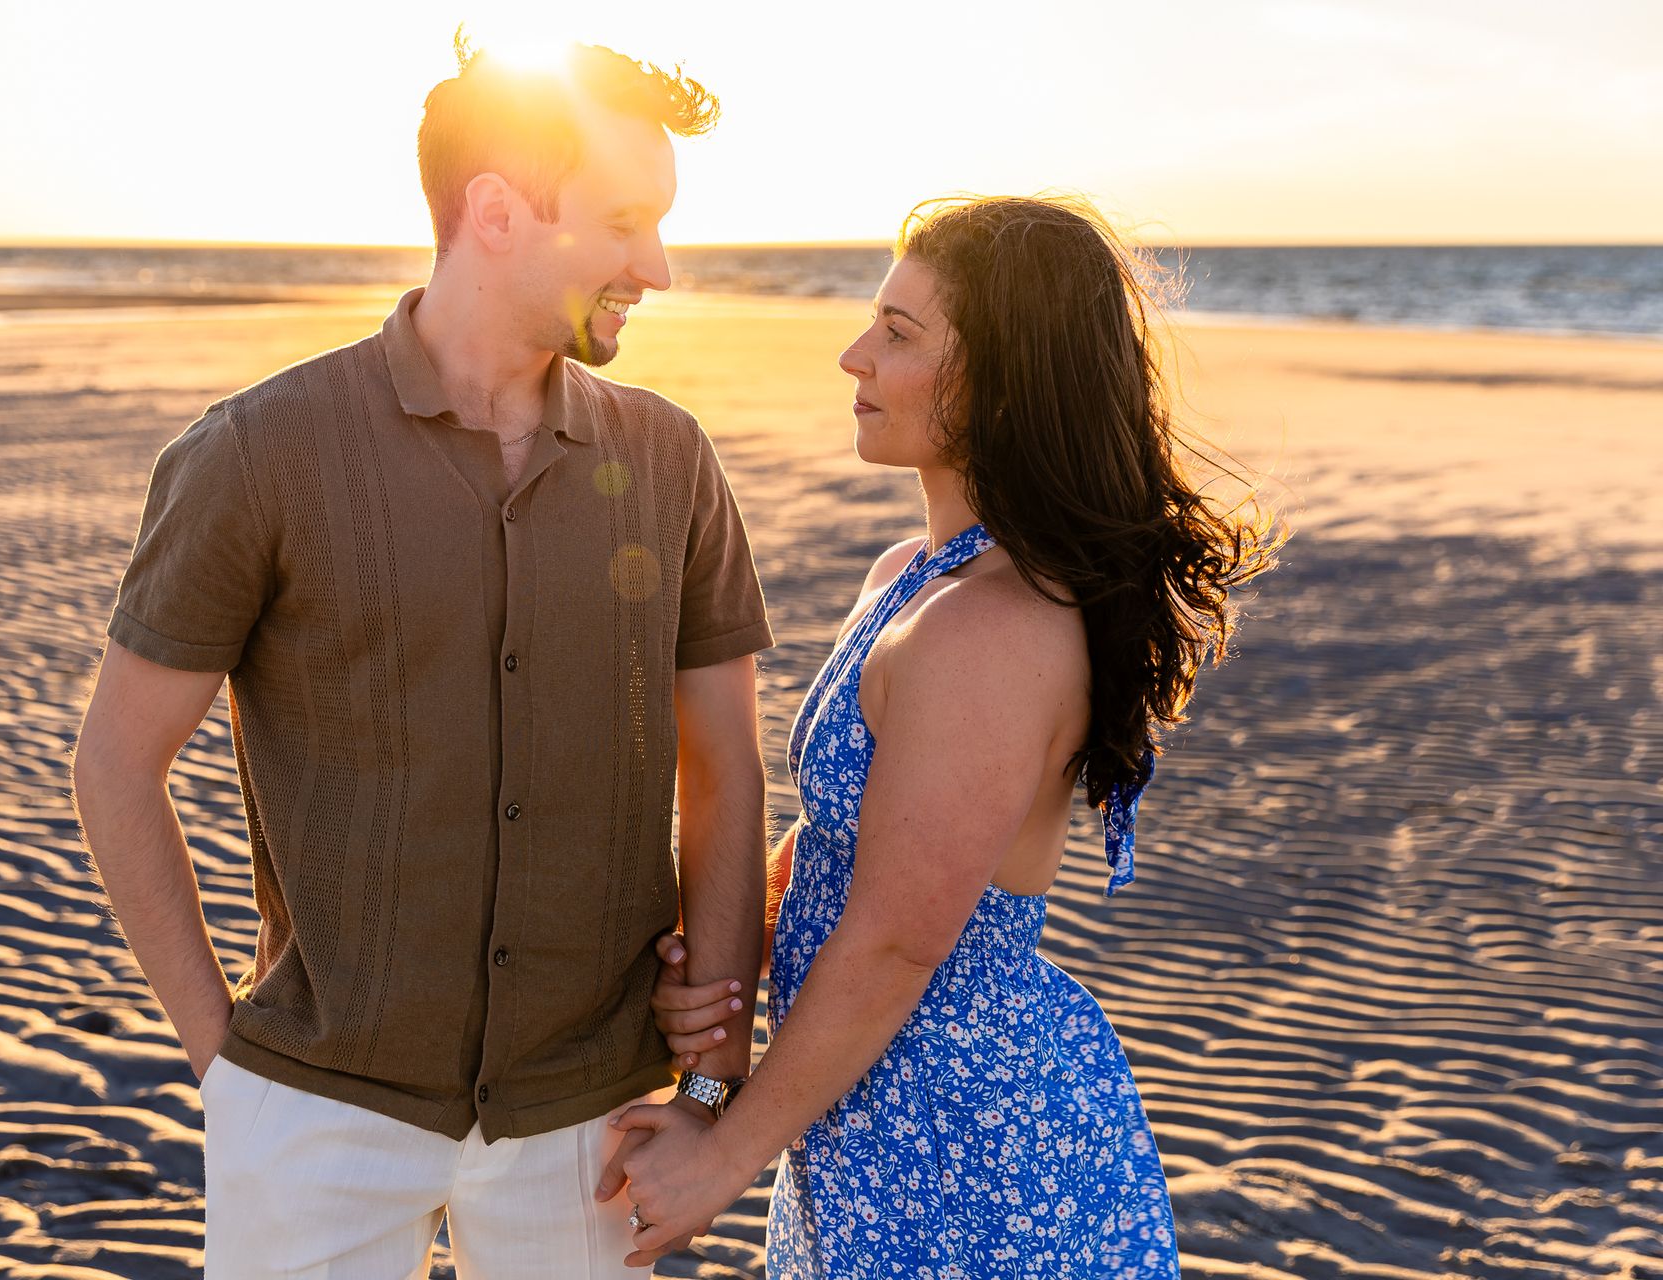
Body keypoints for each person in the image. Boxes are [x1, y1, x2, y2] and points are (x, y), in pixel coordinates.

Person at [69, 38, 772, 1280]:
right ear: (497, 212)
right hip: (315, 1108)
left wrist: (714, 1079)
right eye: (624, 221)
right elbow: (117, 766)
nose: (657, 266)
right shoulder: (256, 454)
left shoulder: (671, 462)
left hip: (591, 1118)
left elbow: (724, 769)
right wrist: (222, 1063)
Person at [597, 195, 1281, 1276]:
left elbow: (896, 942)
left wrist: (723, 1153)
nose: (853, 354)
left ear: (1000, 384)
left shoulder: (994, 627)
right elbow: (847, 840)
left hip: (973, 1142)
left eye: (899, 335)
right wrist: (736, 946)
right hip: (872, 1117)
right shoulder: (911, 578)